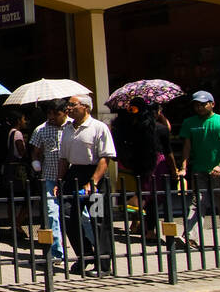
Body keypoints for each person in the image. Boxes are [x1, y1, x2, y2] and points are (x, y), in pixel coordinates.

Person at [57, 94, 116, 276]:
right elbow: (64, 159)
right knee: (67, 216)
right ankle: (85, 254)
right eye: (68, 105)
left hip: (94, 176)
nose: (69, 108)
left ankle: (104, 264)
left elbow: (105, 158)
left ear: (86, 107)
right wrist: (60, 180)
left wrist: (94, 181)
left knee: (98, 220)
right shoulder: (67, 129)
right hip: (74, 175)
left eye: (73, 105)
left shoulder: (99, 128)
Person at [178, 91, 220, 250]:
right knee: (196, 204)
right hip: (200, 169)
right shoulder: (189, 123)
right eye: (196, 104)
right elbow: (187, 146)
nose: (199, 107)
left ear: (212, 104)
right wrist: (184, 167)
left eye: (203, 104)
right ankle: (190, 238)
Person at [112, 97, 163, 240]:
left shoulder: (121, 126)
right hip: (147, 164)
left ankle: (137, 222)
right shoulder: (151, 126)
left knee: (137, 195)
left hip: (128, 164)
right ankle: (148, 229)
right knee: (149, 197)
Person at [29, 100, 68, 266]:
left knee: (80, 215)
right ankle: (56, 252)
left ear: (64, 112)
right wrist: (36, 163)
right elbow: (35, 152)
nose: (51, 117)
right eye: (49, 114)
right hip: (50, 177)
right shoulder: (41, 130)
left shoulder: (72, 127)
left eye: (55, 114)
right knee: (52, 214)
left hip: (70, 177)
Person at [3, 109, 31, 234]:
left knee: (12, 199)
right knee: (27, 198)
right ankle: (18, 224)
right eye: (24, 119)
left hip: (10, 169)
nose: (25, 121)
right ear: (19, 121)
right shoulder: (18, 133)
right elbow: (21, 151)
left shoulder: (10, 132)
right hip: (18, 170)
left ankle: (14, 223)